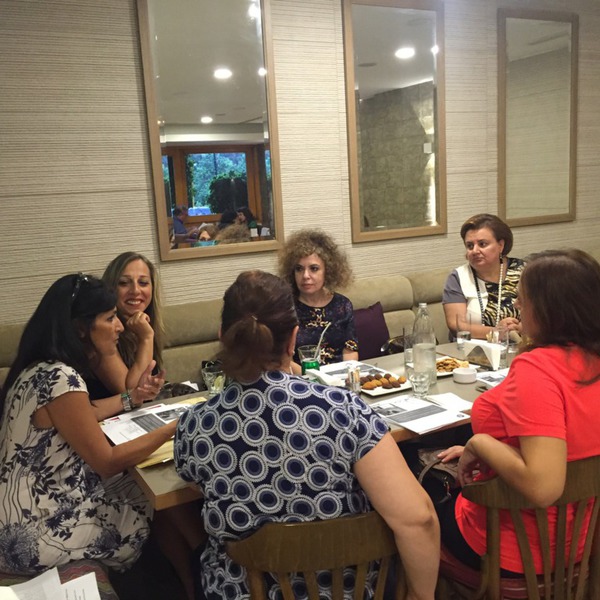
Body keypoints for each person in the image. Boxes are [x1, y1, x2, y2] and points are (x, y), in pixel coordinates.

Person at [174, 270, 439, 600]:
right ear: (293, 339)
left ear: (222, 337)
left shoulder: (194, 425)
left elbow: (197, 484)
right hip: (344, 591)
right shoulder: (344, 409)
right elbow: (418, 520)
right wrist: (420, 596)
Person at [0, 274, 203, 598]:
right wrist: (175, 426)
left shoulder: (38, 368)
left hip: (18, 513)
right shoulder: (60, 377)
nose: (119, 327)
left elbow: (85, 412)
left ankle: (191, 581)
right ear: (81, 328)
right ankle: (200, 572)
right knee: (156, 494)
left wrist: (131, 398)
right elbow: (107, 462)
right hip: (36, 530)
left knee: (146, 487)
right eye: (109, 319)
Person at [436, 249, 600, 574]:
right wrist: (492, 449)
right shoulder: (587, 358)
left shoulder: (537, 370)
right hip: (584, 535)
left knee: (419, 502)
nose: (518, 306)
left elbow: (543, 487)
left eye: (523, 299)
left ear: (549, 308)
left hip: (521, 546)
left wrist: (479, 444)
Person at [85, 252, 165, 400]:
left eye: (143, 283)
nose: (135, 290)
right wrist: (146, 338)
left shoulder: (143, 324)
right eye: (123, 283)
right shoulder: (101, 328)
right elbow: (132, 393)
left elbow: (146, 391)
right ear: (110, 288)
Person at [278, 229, 358, 371]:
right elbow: (284, 360)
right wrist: (313, 379)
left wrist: (344, 377)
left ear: (328, 271)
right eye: (299, 269)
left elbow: (350, 351)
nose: (305, 276)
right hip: (301, 379)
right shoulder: (285, 308)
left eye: (314, 269)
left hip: (339, 378)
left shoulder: (342, 305)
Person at [442, 214, 524, 340]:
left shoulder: (524, 271)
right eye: (470, 246)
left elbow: (544, 313)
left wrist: (522, 328)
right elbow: (456, 325)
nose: (475, 251)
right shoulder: (458, 277)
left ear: (500, 245)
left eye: (482, 244)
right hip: (474, 347)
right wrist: (496, 332)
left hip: (524, 344)